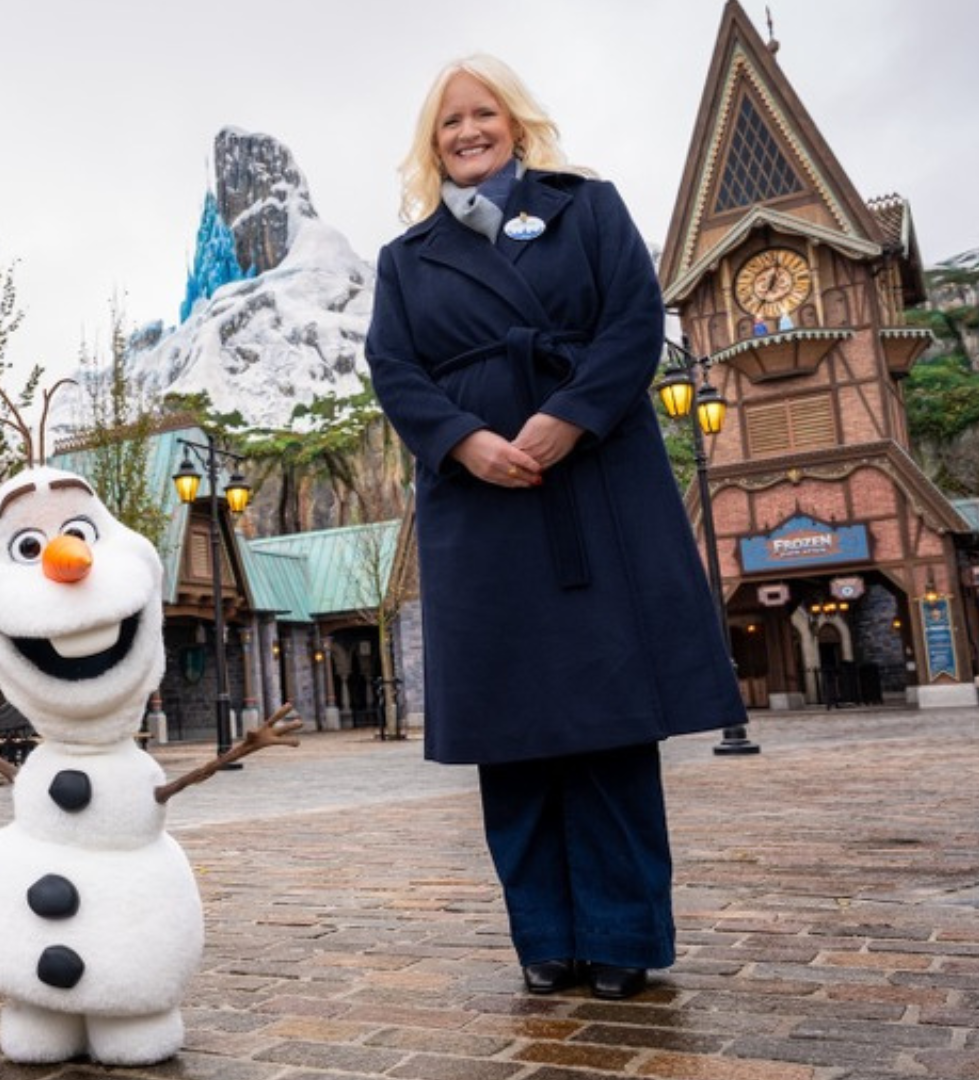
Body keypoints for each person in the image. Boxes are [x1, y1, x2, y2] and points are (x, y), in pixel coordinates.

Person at [364, 55, 745, 1001]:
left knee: (611, 724)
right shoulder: (403, 261)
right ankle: (545, 938)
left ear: (515, 124)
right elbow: (395, 371)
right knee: (517, 732)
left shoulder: (588, 207)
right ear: (432, 144)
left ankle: (622, 939)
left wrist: (567, 417)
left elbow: (632, 323)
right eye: (448, 123)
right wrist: (464, 442)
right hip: (481, 510)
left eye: (481, 114)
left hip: (596, 487)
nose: (465, 133)